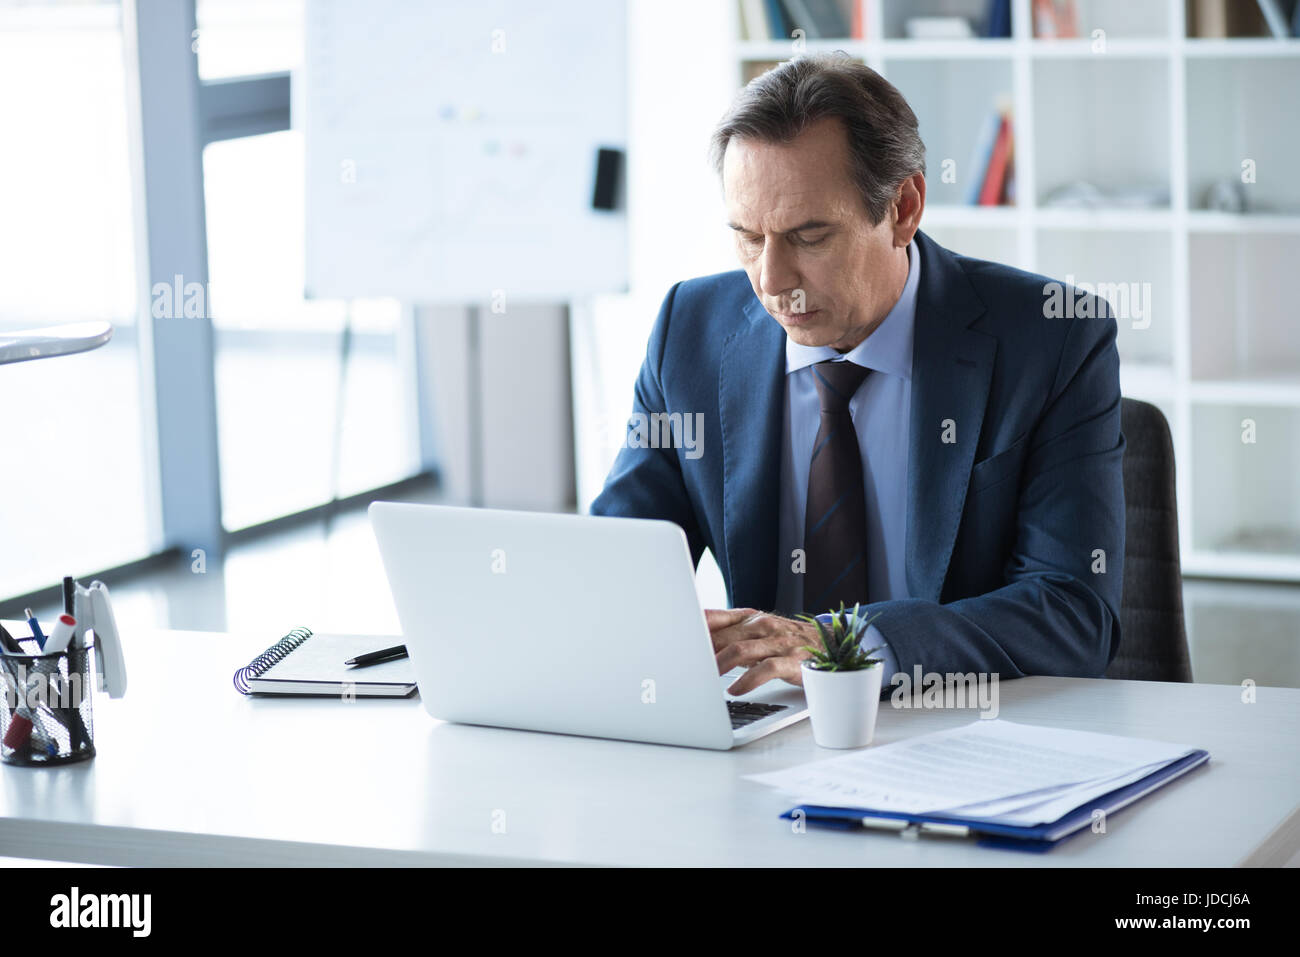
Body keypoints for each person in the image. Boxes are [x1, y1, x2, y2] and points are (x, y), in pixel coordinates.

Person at [591, 53, 1124, 696]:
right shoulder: (691, 331)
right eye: (748, 237)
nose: (771, 280)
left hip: (964, 728)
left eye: (809, 236)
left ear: (903, 207)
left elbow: (1072, 613)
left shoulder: (1052, 337)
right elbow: (620, 559)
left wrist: (848, 645)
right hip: (768, 728)